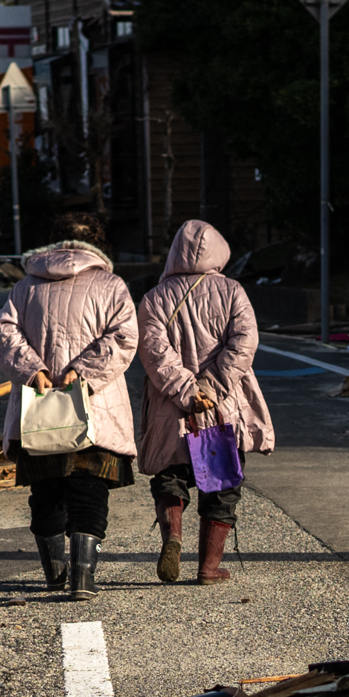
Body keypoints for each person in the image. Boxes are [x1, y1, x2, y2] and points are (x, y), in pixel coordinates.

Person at [0, 213, 137, 596]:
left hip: (40, 409)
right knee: (89, 487)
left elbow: (4, 333)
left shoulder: (25, 288)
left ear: (52, 242)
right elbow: (124, 337)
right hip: (94, 407)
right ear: (97, 244)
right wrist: (83, 372)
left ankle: (54, 574)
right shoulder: (111, 285)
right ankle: (83, 577)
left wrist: (33, 370)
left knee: (46, 489)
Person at [134, 218, 272, 585]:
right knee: (223, 483)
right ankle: (209, 568)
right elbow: (244, 344)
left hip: (170, 405)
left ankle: (173, 537)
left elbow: (153, 351)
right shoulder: (232, 292)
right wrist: (209, 390)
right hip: (221, 405)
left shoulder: (154, 298)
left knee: (170, 475)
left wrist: (184, 389)